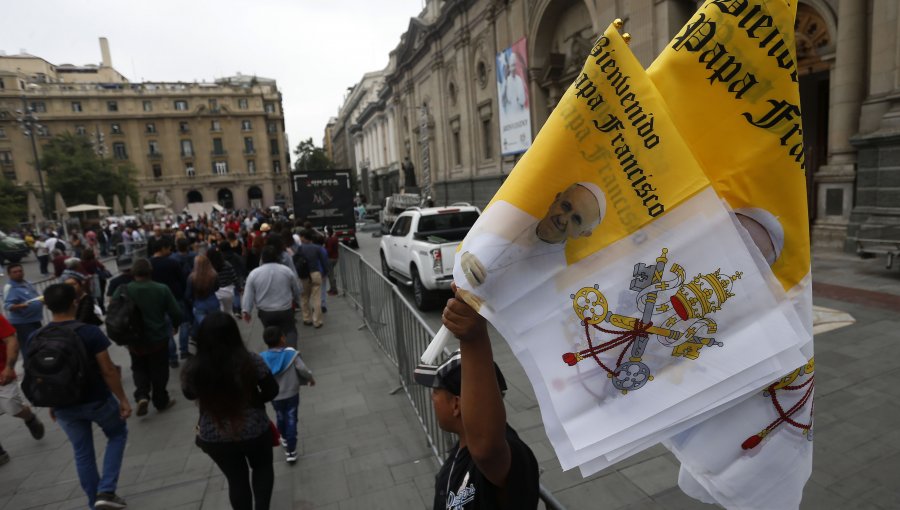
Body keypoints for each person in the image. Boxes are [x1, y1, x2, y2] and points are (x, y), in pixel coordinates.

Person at [415, 285, 539, 509]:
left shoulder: (502, 454)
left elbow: (486, 447)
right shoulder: (460, 450)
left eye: (436, 392)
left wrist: (473, 337)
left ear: (456, 404)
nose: (432, 400)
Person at [38, 283, 131, 510]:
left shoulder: (37, 336)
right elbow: (108, 370)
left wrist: (51, 404)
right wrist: (123, 399)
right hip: (96, 398)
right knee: (117, 434)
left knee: (82, 453)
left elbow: (42, 375)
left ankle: (93, 502)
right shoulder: (88, 332)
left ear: (48, 307)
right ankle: (106, 490)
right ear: (74, 303)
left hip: (64, 404)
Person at [457, 182, 605, 314]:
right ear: (556, 200)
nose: (563, 219)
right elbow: (466, 242)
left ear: (584, 233)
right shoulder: (506, 212)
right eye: (565, 206)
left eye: (576, 219)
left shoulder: (556, 277)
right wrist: (465, 254)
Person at [181, 312, 278, 510]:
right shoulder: (250, 360)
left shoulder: (194, 368)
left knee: (236, 479)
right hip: (254, 429)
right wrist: (253, 401)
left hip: (214, 433)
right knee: (262, 468)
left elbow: (189, 394)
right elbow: (272, 390)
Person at [112, 258, 182, 417]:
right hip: (157, 338)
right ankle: (160, 399)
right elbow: (176, 312)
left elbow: (114, 310)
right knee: (159, 370)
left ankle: (142, 395)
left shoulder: (123, 290)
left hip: (134, 340)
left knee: (138, 367)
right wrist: (175, 325)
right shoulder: (161, 289)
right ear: (150, 271)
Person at [259, 326, 315, 464]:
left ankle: (283, 436)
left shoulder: (262, 357)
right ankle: (291, 450)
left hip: (275, 396)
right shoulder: (291, 354)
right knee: (291, 419)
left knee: (280, 415)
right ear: (283, 338)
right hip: (291, 394)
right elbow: (302, 369)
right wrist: (310, 378)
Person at [0, 314, 45, 466]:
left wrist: (9, 367)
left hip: (2, 374)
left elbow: (11, 340)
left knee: (12, 407)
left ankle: (29, 417)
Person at [242, 246, 302, 347]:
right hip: (285, 309)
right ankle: (291, 354)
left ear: (262, 258)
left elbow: (248, 294)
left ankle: (275, 355)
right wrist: (297, 300)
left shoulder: (254, 274)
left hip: (265, 311)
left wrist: (246, 310)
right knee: (290, 331)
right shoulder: (286, 271)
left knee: (271, 335)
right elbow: (296, 288)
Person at [150, 237, 188, 367]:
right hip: (176, 297)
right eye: (168, 248)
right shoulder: (172, 263)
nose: (170, 250)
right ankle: (184, 350)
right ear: (162, 249)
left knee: (167, 330)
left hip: (158, 301)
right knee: (183, 323)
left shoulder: (149, 264)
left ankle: (172, 358)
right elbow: (182, 280)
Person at [2, 263, 44, 356]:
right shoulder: (10, 287)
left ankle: (38, 366)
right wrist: (20, 306)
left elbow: (35, 297)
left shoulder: (26, 283)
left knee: (38, 344)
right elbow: (7, 305)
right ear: (9, 274)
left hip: (35, 319)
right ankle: (29, 367)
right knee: (28, 347)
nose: (18, 273)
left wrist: (42, 300)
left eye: (20, 271)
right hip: (23, 323)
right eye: (15, 272)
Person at [295, 230, 328, 329]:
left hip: (304, 275)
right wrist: (324, 272)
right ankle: (317, 321)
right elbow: (323, 261)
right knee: (316, 297)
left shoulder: (300, 248)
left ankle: (306, 318)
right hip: (315, 273)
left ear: (304, 237)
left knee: (304, 297)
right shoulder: (317, 248)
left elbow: (295, 260)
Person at [324, 227, 340, 296]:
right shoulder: (335, 238)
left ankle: (334, 289)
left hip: (330, 258)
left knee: (331, 275)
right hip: (335, 257)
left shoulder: (330, 240)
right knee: (331, 274)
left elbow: (329, 250)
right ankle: (332, 288)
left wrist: (324, 250)